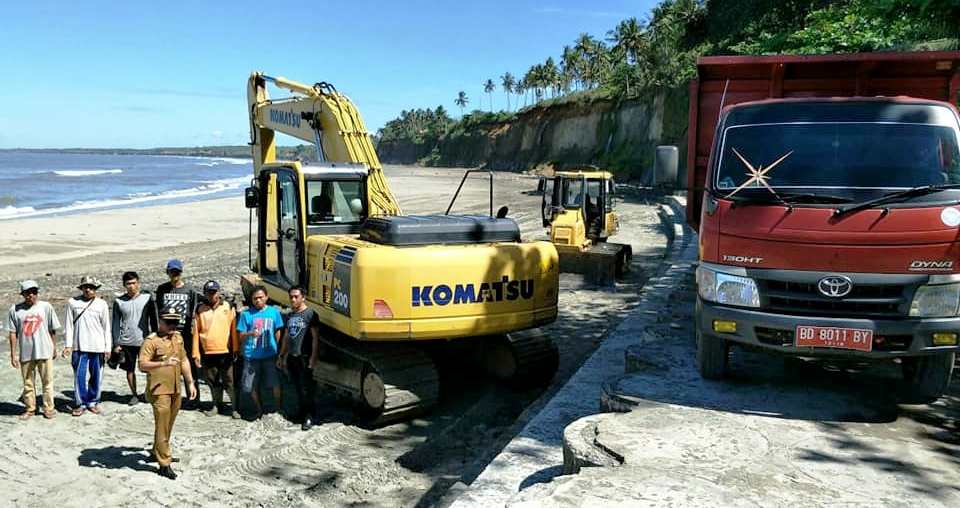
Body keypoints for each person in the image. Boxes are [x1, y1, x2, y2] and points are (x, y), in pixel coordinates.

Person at [139, 306, 197, 480]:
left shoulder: (178, 338)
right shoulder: (151, 341)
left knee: (167, 424)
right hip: (159, 390)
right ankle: (164, 462)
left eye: (176, 322)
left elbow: (184, 359)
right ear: (160, 322)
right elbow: (142, 365)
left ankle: (158, 450)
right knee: (163, 424)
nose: (173, 326)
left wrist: (190, 382)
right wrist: (163, 364)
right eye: (169, 322)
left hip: (175, 388)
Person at [7, 280, 61, 420]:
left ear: (37, 293)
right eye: (28, 293)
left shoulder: (46, 307)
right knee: (28, 383)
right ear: (23, 294)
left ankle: (49, 408)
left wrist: (54, 347)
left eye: (34, 292)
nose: (31, 295)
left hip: (44, 350)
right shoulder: (15, 310)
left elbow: (52, 329)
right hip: (26, 352)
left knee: (47, 382)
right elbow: (13, 333)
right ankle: (30, 408)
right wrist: (13, 354)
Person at [62, 276, 112, 416]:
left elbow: (106, 327)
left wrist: (107, 347)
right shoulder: (73, 302)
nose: (88, 290)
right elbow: (69, 325)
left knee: (96, 376)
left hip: (97, 346)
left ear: (95, 289)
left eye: (91, 287)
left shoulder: (101, 304)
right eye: (86, 287)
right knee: (79, 376)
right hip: (79, 346)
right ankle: (81, 403)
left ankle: (93, 401)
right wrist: (68, 345)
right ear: (82, 288)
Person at [235, 286, 283, 420]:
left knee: (275, 383)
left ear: (266, 297)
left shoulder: (274, 312)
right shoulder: (246, 314)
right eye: (255, 298)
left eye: (260, 297)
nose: (258, 300)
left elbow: (278, 330)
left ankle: (278, 409)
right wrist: (250, 333)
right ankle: (259, 410)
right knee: (251, 386)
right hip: (251, 356)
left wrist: (276, 346)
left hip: (270, 355)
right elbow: (240, 335)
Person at [192, 280, 238, 418]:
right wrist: (196, 354)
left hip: (226, 351)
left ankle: (235, 408)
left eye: (214, 292)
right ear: (205, 293)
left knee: (229, 381)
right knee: (213, 381)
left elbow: (234, 329)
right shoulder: (199, 309)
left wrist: (236, 348)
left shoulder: (228, 306)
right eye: (209, 292)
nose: (212, 295)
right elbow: (195, 332)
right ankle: (216, 405)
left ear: (219, 292)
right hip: (208, 352)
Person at [155, 259, 198, 407]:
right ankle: (168, 396)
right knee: (166, 364)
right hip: (166, 333)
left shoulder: (190, 290)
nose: (175, 275)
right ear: (167, 272)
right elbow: (159, 310)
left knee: (187, 365)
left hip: (184, 333)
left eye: (177, 272)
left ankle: (192, 398)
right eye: (172, 272)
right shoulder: (162, 289)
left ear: (181, 273)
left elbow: (193, 312)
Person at [111, 271, 158, 405]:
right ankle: (134, 395)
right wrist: (116, 342)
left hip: (145, 341)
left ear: (138, 283)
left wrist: (155, 336)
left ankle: (148, 393)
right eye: (128, 284)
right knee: (129, 370)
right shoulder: (119, 302)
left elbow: (153, 319)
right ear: (124, 285)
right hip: (126, 342)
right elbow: (115, 323)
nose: (131, 286)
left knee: (150, 368)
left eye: (134, 283)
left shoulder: (147, 298)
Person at [278, 285, 321, 430]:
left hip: (305, 356)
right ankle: (301, 413)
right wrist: (282, 355)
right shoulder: (290, 315)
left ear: (303, 297)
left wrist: (313, 358)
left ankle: (310, 416)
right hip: (292, 357)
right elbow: (286, 337)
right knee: (297, 387)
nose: (293, 299)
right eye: (291, 296)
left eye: (296, 296)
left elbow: (315, 338)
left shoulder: (310, 314)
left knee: (307, 388)